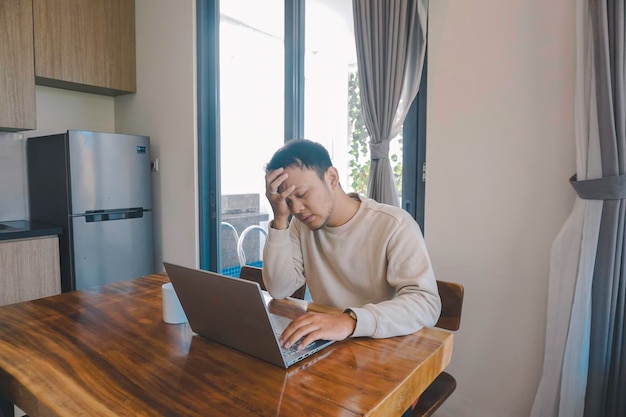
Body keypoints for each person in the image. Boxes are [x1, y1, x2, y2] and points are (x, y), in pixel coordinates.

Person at [262, 139, 441, 353]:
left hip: (384, 350)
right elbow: (279, 288)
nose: (297, 208)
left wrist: (350, 321)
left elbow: (426, 303)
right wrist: (280, 218)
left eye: (302, 194)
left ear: (332, 177)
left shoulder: (394, 225)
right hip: (329, 347)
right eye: (288, 201)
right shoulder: (301, 225)